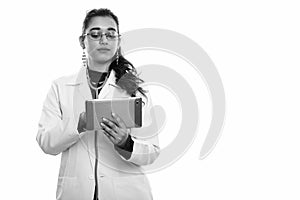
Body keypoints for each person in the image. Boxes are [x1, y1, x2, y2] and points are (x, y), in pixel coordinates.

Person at [36, 8, 160, 200]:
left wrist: (125, 143)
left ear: (118, 41)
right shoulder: (61, 87)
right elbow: (46, 142)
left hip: (127, 193)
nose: (104, 40)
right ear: (82, 41)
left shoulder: (133, 89)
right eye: (95, 34)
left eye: (111, 34)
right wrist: (78, 125)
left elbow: (152, 152)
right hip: (75, 193)